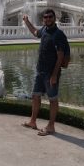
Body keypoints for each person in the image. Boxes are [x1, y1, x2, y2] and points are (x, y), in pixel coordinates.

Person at [21, 8, 68, 136]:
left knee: (52, 99)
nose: (47, 19)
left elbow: (60, 57)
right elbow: (35, 32)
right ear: (43, 19)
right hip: (40, 71)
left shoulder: (58, 35)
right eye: (45, 17)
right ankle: (33, 121)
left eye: (50, 17)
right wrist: (27, 21)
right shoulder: (44, 30)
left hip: (50, 73)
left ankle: (51, 126)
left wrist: (54, 75)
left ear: (54, 18)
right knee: (35, 96)